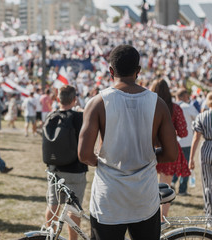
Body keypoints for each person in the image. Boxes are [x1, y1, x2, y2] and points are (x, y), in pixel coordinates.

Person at [78, 45, 178, 240]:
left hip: (109, 198)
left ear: (110, 71)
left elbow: (84, 155)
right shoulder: (157, 103)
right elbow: (171, 153)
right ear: (138, 71)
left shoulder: (97, 103)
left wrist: (105, 161)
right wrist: (149, 155)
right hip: (144, 197)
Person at [45, 85, 87, 240]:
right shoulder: (78, 117)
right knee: (73, 209)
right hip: (75, 169)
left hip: (54, 168)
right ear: (74, 99)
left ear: (58, 99)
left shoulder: (50, 115)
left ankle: (50, 236)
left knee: (53, 206)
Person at [150, 79, 190, 219]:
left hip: (148, 149)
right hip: (169, 150)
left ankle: (150, 217)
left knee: (147, 185)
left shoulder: (146, 107)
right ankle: (162, 217)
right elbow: (184, 132)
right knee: (165, 187)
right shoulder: (175, 108)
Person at [171, 88, 199, 195]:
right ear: (183, 96)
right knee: (186, 165)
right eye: (187, 97)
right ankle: (182, 189)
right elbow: (198, 118)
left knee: (175, 164)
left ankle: (173, 182)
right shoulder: (188, 107)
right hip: (186, 141)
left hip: (174, 141)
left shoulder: (171, 107)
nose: (188, 99)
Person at [190, 92, 212, 218]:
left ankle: (209, 214)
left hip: (207, 149)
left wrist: (191, 158)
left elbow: (196, 138)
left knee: (208, 183)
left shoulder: (202, 116)